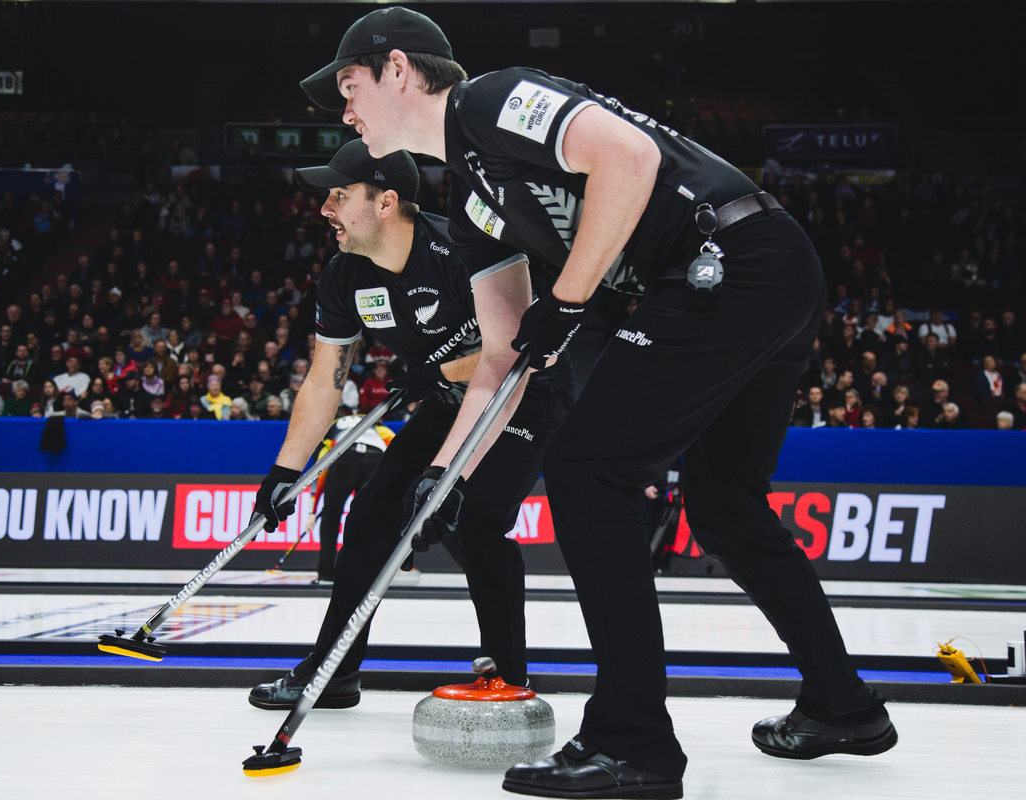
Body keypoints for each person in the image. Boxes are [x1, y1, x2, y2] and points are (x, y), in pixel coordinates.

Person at [299, 9, 892, 795]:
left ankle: (632, 742)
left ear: (399, 70)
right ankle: (843, 704)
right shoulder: (471, 202)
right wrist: (446, 475)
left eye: (350, 86)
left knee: (587, 467)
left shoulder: (493, 100)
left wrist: (570, 296)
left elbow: (629, 154)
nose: (345, 111)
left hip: (728, 260)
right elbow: (502, 353)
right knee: (725, 507)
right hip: (761, 274)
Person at [247, 140, 573, 713]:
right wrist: (285, 470)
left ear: (385, 202)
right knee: (372, 512)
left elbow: (513, 353)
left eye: (340, 195)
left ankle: (508, 677)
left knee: (476, 517)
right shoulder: (344, 276)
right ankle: (333, 670)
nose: (325, 209)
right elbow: (324, 380)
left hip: (526, 391)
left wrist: (437, 371)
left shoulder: (461, 251)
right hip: (448, 396)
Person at [309, 406, 396, 584]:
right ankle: (363, 573)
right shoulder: (375, 422)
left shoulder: (332, 427)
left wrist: (313, 511)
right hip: (376, 458)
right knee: (365, 518)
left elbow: (320, 469)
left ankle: (326, 574)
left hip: (344, 455)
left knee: (331, 517)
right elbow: (394, 441)